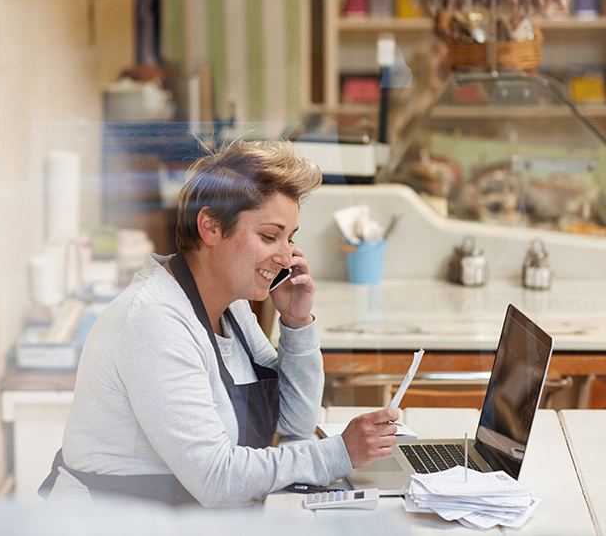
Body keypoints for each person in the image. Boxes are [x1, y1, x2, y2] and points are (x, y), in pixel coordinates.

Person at [41, 140, 397, 507]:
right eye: (269, 236)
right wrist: (340, 453)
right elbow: (216, 479)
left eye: (290, 238)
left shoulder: (231, 309)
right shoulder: (154, 321)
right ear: (210, 227)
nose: (288, 256)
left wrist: (296, 322)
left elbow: (293, 423)